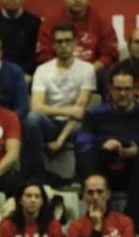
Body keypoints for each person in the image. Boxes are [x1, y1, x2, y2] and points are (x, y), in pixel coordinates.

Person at [76, 69, 139, 226]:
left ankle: (129, 224)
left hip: (135, 172)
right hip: (103, 170)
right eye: (118, 89)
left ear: (136, 89)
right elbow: (83, 143)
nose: (122, 93)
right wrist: (102, 145)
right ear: (109, 89)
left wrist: (137, 151)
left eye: (127, 89)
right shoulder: (94, 113)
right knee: (87, 157)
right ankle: (101, 218)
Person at [23, 22, 96, 183]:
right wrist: (68, 111)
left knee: (84, 126)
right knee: (32, 119)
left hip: (72, 126)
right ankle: (39, 172)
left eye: (68, 41)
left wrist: (60, 140)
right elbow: (36, 106)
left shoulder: (87, 69)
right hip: (49, 123)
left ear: (75, 42)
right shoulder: (42, 70)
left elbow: (80, 111)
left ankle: (81, 178)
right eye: (59, 42)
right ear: (53, 45)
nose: (64, 45)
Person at [35, 0, 118, 88]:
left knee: (106, 78)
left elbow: (109, 54)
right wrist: (63, 70)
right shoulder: (51, 21)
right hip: (58, 70)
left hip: (92, 70)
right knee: (34, 82)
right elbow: (44, 54)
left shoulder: (101, 19)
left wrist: (89, 70)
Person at [66, 174, 137, 237]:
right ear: (84, 196)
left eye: (99, 192)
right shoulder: (75, 226)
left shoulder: (125, 222)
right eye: (90, 192)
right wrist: (96, 228)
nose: (95, 197)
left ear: (108, 194)